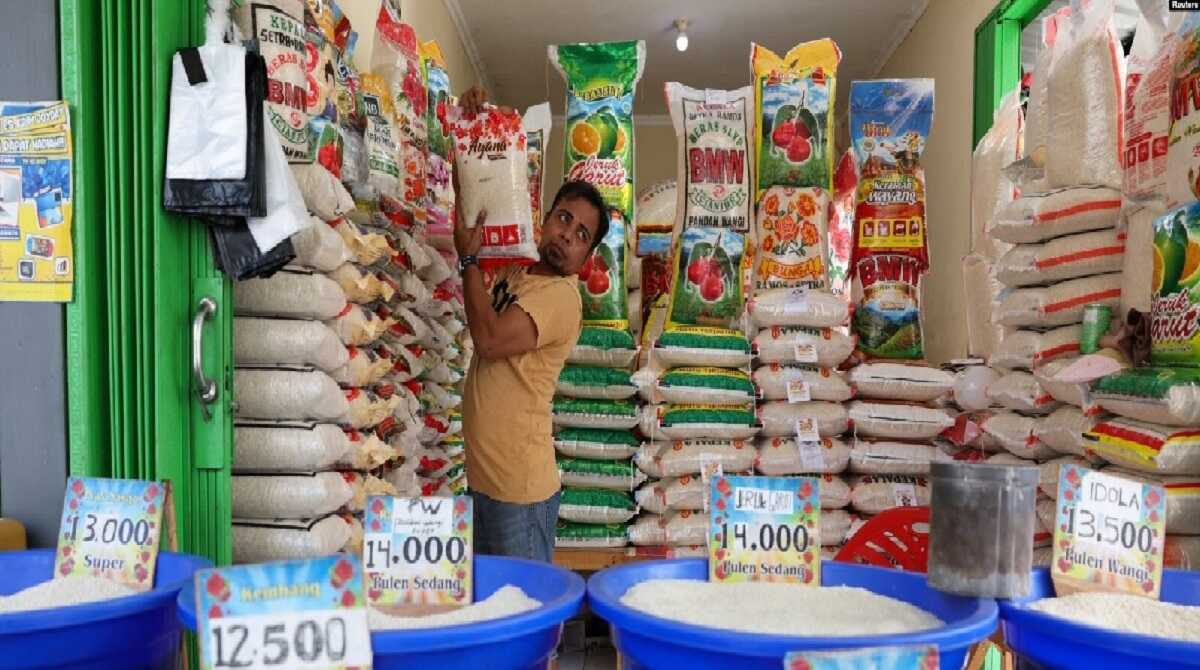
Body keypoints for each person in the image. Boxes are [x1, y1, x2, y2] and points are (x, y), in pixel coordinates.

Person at [454, 87, 610, 562]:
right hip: (485, 482)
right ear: (544, 218)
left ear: (587, 256)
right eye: (563, 218)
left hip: (518, 494)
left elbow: (488, 339)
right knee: (490, 603)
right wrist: (479, 132)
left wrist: (469, 261)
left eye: (581, 234)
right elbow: (475, 202)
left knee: (524, 604)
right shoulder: (519, 269)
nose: (567, 233)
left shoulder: (561, 298)